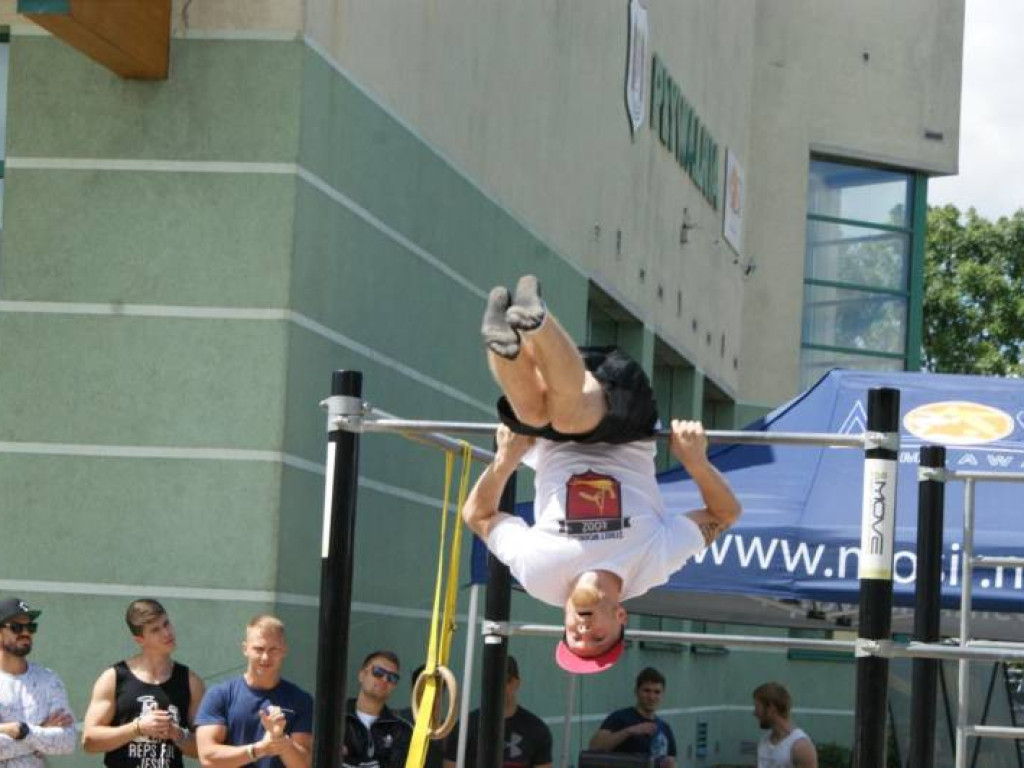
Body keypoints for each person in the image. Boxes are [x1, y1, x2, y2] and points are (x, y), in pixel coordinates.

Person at [466, 274, 742, 674]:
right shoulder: (652, 565)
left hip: (550, 432)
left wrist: (505, 461)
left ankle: (508, 338)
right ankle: (536, 322)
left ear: (564, 620)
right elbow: (725, 514)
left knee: (531, 413)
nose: (583, 631)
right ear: (620, 617)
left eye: (573, 637)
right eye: (597, 638)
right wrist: (695, 462)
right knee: (567, 415)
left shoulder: (539, 576)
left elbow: (478, 516)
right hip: (624, 420)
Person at [82, 599, 206, 768]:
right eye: (155, 630)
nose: (166, 633)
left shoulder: (190, 681)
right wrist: (138, 728)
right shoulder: (114, 677)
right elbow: (89, 741)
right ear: (140, 639)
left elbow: (206, 748)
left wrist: (177, 733)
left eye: (166, 624)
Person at [195, 615, 312, 768]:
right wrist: (260, 749)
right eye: (259, 649)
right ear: (245, 649)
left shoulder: (301, 700)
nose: (265, 657)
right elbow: (208, 757)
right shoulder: (220, 695)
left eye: (273, 649)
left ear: (284, 650)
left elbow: (304, 765)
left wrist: (280, 739)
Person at [0, 597, 77, 768]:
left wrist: (23, 731)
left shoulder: (48, 680)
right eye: (16, 627)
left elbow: (67, 742)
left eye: (31, 627)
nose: (26, 633)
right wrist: (41, 730)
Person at [442, 656, 551, 768]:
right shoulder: (466, 726)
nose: (500, 686)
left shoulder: (536, 729)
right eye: (494, 680)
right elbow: (450, 765)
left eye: (507, 680)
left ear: (517, 683)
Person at [588, 667, 676, 765]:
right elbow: (594, 747)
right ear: (636, 691)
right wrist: (628, 731)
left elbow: (671, 761)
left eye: (657, 692)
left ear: (662, 695)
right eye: (646, 691)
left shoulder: (664, 728)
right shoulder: (620, 718)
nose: (651, 697)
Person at [342, 650, 412, 768]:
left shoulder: (402, 730)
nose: (385, 679)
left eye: (392, 677)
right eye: (378, 672)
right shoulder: (333, 719)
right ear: (362, 675)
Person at [752, 682, 817, 768]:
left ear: (771, 708)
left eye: (757, 707)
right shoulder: (764, 742)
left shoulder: (800, 746)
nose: (755, 713)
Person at [395, 665, 443, 768]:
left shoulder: (445, 728)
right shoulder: (396, 720)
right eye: (424, 689)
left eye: (436, 690)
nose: (430, 695)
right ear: (414, 689)